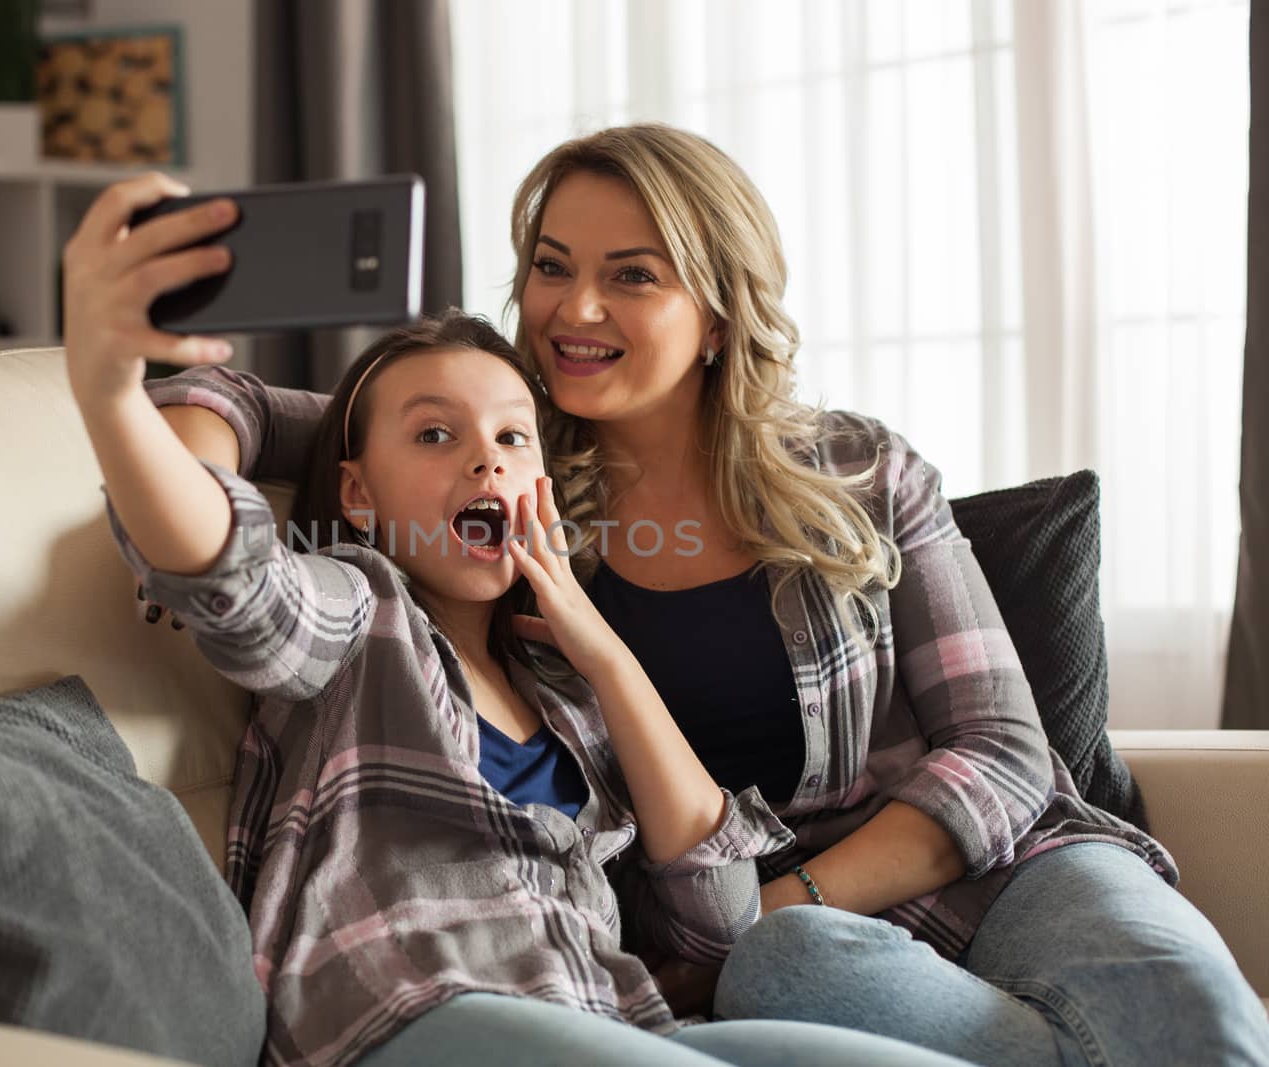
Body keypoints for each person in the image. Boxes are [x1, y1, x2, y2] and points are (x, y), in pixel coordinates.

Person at [124, 126, 1269, 1067]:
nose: (573, 309)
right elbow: (284, 406)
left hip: (1002, 870)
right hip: (775, 953)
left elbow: (1007, 754)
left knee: (1190, 1016)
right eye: (551, 265)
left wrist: (788, 896)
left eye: (632, 274)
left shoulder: (861, 473)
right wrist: (186, 410)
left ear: (718, 312)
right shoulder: (511, 484)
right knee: (803, 962)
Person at [67, 202, 975, 1067]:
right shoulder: (363, 615)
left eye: (514, 436)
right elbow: (241, 582)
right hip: (403, 1014)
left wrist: (609, 660)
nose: (485, 457)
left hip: (605, 1018)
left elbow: (722, 922)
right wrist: (111, 394)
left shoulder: (570, 694)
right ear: (357, 494)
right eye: (433, 434)